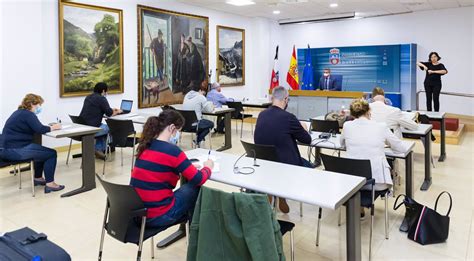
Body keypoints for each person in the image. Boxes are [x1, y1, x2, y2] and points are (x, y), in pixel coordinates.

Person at [130, 109, 214, 228]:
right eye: (178, 131)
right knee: (193, 187)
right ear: (172, 128)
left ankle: (188, 227)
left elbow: (159, 170)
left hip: (139, 215)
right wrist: (208, 167)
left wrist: (184, 167)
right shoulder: (172, 151)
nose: (177, 135)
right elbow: (199, 178)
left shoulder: (145, 145)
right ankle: (194, 228)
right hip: (159, 216)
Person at [341, 99, 408, 216]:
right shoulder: (381, 126)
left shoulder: (347, 126)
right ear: (369, 111)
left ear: (352, 114)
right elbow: (401, 148)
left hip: (352, 180)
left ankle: (360, 209)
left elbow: (342, 144)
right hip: (376, 183)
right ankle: (361, 206)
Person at [254, 86, 313, 213]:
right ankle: (281, 193)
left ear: (272, 98)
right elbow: (307, 140)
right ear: (286, 99)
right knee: (310, 167)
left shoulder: (261, 115)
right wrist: (302, 128)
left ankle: (271, 193)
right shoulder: (289, 117)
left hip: (265, 163)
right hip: (286, 166)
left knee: (278, 155)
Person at [0, 94, 65, 193]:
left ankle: (38, 178)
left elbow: (36, 128)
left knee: (40, 151)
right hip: (16, 150)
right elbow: (40, 129)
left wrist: (46, 127)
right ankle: (50, 184)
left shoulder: (19, 112)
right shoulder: (28, 114)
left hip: (7, 149)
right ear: (31, 104)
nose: (39, 108)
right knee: (51, 154)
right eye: (38, 105)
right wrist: (55, 127)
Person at [79, 82, 122, 157]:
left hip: (82, 125)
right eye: (106, 91)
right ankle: (100, 149)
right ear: (103, 91)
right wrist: (118, 111)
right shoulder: (102, 98)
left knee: (103, 127)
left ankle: (98, 149)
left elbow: (97, 108)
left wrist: (111, 109)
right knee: (110, 128)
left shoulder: (88, 97)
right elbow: (109, 114)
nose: (106, 93)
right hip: (92, 128)